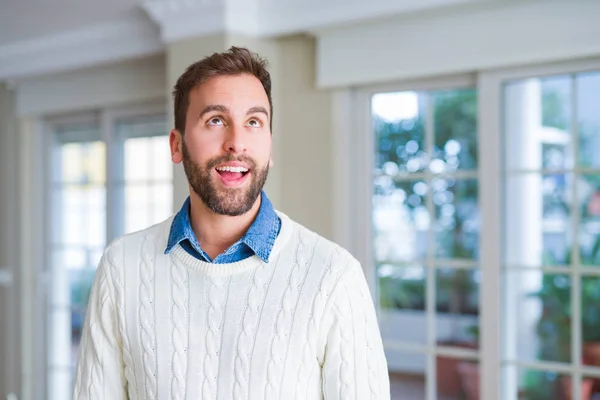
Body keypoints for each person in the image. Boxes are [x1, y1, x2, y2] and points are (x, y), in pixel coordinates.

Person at [73, 46, 390, 399]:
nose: (236, 143)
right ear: (177, 146)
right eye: (215, 121)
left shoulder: (334, 276)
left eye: (253, 122)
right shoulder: (122, 267)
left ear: (269, 146)